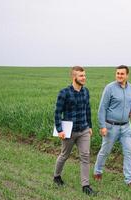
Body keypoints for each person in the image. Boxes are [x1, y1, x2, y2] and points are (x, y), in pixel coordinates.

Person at [53, 66, 97, 196]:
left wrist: (90, 126)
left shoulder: (86, 91)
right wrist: (60, 130)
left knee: (85, 156)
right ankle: (56, 176)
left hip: (83, 130)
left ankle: (85, 186)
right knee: (64, 155)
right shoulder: (64, 92)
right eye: (81, 76)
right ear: (74, 77)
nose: (84, 78)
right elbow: (57, 113)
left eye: (84, 75)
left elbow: (87, 110)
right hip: (69, 132)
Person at [93, 65, 131, 186]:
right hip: (111, 126)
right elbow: (102, 108)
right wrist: (102, 126)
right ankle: (97, 171)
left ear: (127, 75)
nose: (119, 76)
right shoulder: (110, 88)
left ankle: (128, 180)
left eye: (122, 74)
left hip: (127, 127)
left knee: (129, 153)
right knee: (105, 151)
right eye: (117, 73)